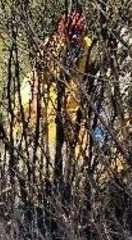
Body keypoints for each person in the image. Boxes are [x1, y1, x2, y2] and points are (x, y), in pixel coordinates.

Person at [17, 12, 98, 174]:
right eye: (71, 36)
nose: (74, 40)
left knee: (81, 150)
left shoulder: (87, 45)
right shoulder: (51, 47)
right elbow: (37, 78)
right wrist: (35, 102)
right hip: (49, 103)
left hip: (73, 104)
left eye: (78, 35)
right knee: (52, 148)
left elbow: (91, 69)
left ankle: (79, 174)